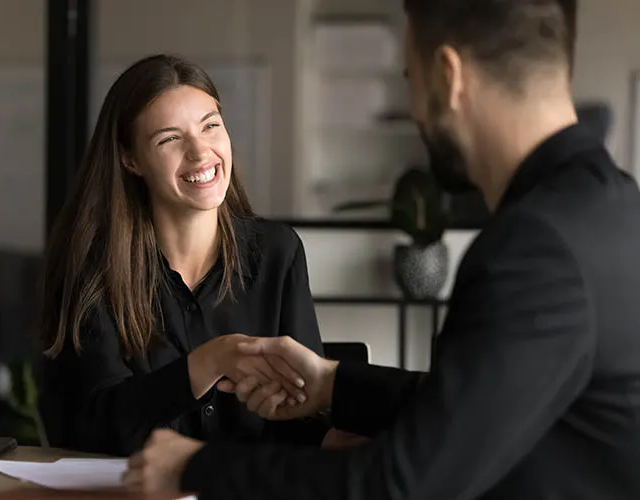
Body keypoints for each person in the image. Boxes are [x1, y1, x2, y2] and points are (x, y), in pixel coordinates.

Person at [123, 0, 640, 498]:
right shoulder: (612, 207)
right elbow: (475, 409)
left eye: (410, 80)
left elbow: (401, 483)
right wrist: (331, 385)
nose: (415, 107)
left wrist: (195, 467)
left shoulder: (535, 250)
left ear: (448, 76)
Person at [37, 54, 329, 457]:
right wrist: (206, 363)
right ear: (130, 159)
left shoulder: (277, 253)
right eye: (170, 139)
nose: (199, 152)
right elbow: (88, 427)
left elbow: (308, 416)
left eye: (211, 126)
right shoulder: (94, 265)